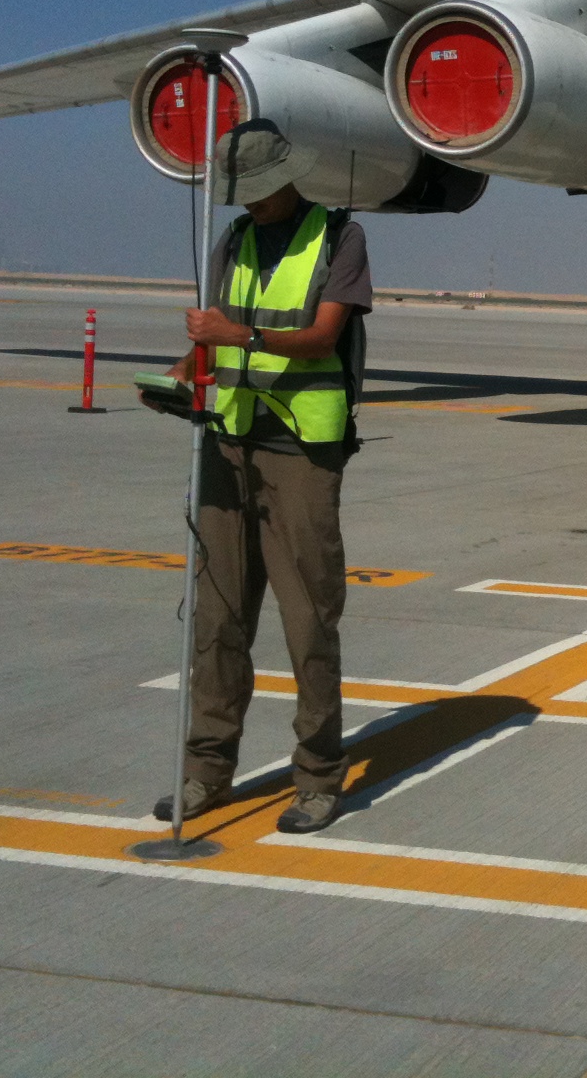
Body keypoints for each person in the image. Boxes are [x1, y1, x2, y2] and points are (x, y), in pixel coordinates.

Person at [143, 119, 372, 834]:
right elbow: (210, 344)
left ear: (291, 176)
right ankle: (205, 771)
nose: (252, 202)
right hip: (229, 443)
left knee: (308, 621)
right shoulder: (235, 241)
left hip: (301, 450)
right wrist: (180, 374)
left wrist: (234, 336)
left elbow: (321, 338)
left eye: (262, 189)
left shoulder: (339, 238)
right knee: (216, 618)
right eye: (242, 192)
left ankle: (319, 777)